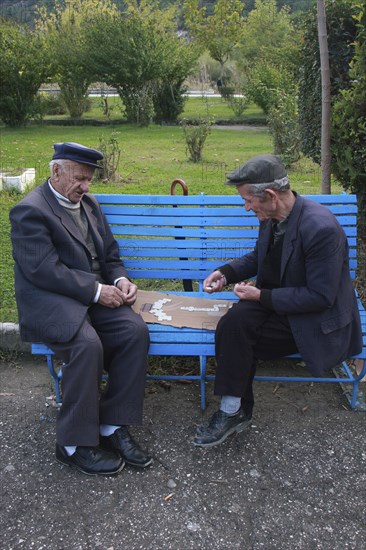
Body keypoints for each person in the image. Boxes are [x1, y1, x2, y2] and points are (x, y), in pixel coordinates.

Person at [194, 154, 363, 448]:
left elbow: (320, 297)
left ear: (270, 195)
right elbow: (259, 257)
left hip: (314, 319)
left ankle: (234, 411)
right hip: (279, 305)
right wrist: (225, 273)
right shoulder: (274, 216)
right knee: (232, 325)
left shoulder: (320, 229)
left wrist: (261, 295)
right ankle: (233, 412)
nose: (247, 207)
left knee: (236, 340)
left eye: (248, 200)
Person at [10, 142, 152, 475]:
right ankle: (72, 444)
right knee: (86, 345)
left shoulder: (89, 203)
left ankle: (111, 425)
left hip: (94, 294)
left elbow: (111, 255)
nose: (85, 187)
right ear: (56, 171)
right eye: (79, 178)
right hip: (49, 298)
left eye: (89, 180)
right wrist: (96, 289)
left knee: (134, 331)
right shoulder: (30, 210)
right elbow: (43, 270)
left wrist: (119, 281)